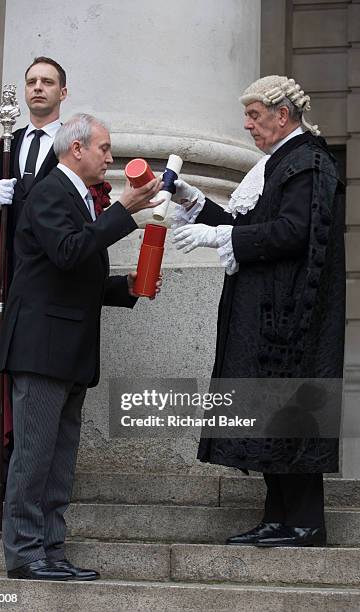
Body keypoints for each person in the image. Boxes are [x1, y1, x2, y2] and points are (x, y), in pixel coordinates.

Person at [172, 75, 345, 547]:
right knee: (268, 414)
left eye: (254, 115)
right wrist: (194, 202)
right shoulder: (278, 163)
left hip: (294, 319)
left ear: (282, 116)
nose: (247, 125)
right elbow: (245, 222)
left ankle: (306, 522)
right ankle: (277, 516)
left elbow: (292, 231)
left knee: (292, 414)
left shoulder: (307, 161)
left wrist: (223, 238)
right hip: (270, 315)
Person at [0, 113, 162, 580]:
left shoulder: (81, 197)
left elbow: (72, 274)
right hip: (41, 349)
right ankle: (26, 554)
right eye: (104, 148)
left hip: (68, 350)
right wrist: (122, 210)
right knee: (33, 457)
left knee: (59, 460)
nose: (110, 158)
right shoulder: (50, 191)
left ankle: (51, 549)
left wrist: (123, 287)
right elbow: (68, 251)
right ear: (76, 150)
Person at [0, 57, 108, 501]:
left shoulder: (74, 148)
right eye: (31, 82)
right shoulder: (0, 147)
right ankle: (7, 463)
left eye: (48, 82)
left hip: (51, 285)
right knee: (5, 367)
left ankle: (36, 470)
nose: (37, 89)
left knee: (38, 381)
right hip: (2, 277)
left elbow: (92, 212)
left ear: (63, 92)